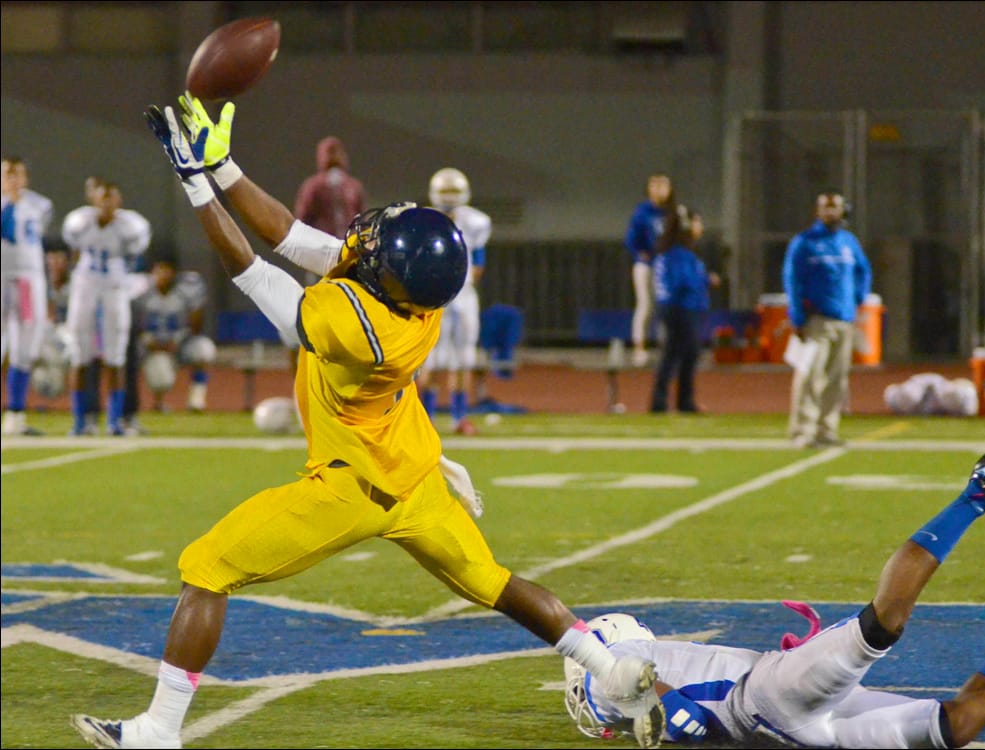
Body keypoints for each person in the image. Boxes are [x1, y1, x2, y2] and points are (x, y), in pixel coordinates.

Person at [68, 95, 663, 750]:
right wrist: (224, 168)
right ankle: (611, 669)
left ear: (390, 275)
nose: (371, 235)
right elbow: (292, 235)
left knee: (206, 566)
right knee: (495, 583)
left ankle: (158, 730)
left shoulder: (359, 327)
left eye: (382, 241)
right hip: (414, 474)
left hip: (350, 488)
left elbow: (251, 270)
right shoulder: (420, 301)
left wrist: (194, 184)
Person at [564, 453, 985, 749]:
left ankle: (977, 495)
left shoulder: (607, 667)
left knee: (882, 625)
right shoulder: (634, 671)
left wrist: (669, 710)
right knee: (956, 727)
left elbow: (642, 689)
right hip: (799, 730)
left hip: (771, 695)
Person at [61, 180, 151, 437]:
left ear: (119, 202)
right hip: (85, 284)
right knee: (79, 354)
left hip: (114, 285)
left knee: (115, 355)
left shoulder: (131, 225)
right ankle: (80, 421)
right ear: (94, 200)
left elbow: (135, 255)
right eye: (103, 198)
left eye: (111, 198)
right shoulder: (79, 221)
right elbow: (74, 249)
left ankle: (115, 421)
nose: (107, 204)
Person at [782, 190, 872, 448]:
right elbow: (792, 280)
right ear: (818, 211)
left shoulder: (848, 242)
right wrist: (797, 316)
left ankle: (826, 429)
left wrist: (858, 298)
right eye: (826, 207)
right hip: (816, 320)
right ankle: (802, 430)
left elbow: (863, 270)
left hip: (844, 319)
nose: (831, 212)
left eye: (835, 206)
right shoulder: (804, 242)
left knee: (837, 379)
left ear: (844, 210)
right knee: (810, 375)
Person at [416, 167, 491, 435]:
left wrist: (461, 285)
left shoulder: (476, 222)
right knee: (432, 359)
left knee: (464, 357)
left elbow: (478, 263)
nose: (449, 197)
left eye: (453, 191)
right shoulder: (424, 221)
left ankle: (460, 418)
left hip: (463, 295)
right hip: (435, 296)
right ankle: (426, 420)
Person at [1, 155, 55, 436]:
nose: (11, 179)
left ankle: (15, 416)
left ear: (24, 177)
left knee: (25, 347)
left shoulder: (40, 204)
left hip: (26, 280)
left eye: (16, 173)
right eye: (6, 173)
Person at [649, 206, 720, 414]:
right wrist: (706, 280)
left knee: (674, 354)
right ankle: (678, 401)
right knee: (686, 353)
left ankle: (666, 402)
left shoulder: (673, 252)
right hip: (681, 308)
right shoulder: (680, 254)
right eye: (697, 222)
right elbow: (683, 282)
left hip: (673, 308)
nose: (701, 227)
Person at [133, 254, 215, 413]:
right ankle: (158, 403)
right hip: (152, 347)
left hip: (180, 342)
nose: (163, 274)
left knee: (204, 349)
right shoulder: (141, 290)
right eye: (159, 269)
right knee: (161, 379)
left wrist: (177, 340)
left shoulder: (187, 288)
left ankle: (196, 400)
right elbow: (134, 324)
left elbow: (196, 324)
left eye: (167, 270)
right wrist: (149, 341)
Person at [293, 135, 366, 286]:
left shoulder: (352, 186)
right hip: (323, 252)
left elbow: (362, 220)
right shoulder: (314, 186)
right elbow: (302, 220)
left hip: (348, 252)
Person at [625, 173, 675, 368]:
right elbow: (631, 237)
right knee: (645, 304)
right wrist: (640, 252)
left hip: (665, 266)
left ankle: (665, 348)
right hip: (645, 265)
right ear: (649, 189)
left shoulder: (671, 212)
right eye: (656, 185)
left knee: (665, 306)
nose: (660, 189)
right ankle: (640, 349)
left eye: (664, 185)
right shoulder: (642, 212)